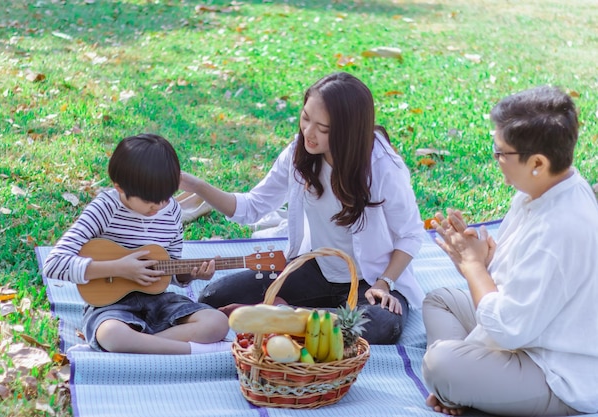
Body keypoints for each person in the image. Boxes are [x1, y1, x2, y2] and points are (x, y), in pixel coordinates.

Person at [179, 72, 426, 344]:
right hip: (317, 269)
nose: (308, 133)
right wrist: (197, 185)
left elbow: (411, 235)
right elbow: (252, 206)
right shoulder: (300, 153)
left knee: (382, 325)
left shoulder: (382, 166)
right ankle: (300, 318)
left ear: (349, 132)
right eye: (306, 118)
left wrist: (385, 283)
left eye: (323, 128)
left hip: (372, 281)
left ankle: (283, 315)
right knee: (214, 297)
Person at [423, 86, 598, 416]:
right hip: (529, 327)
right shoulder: (544, 189)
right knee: (440, 299)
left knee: (440, 364)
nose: (496, 159)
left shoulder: (561, 228)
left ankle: (457, 385)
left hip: (555, 369)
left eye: (502, 152)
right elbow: (514, 278)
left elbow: (508, 330)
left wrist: (474, 267)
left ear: (537, 162)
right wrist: (482, 258)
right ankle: (461, 387)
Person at [43, 134, 230, 354]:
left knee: (218, 322)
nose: (159, 206)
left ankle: (140, 344)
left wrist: (190, 274)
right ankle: (189, 350)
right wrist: (119, 268)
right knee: (112, 334)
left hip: (158, 301)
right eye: (149, 201)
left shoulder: (171, 211)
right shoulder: (105, 208)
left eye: (165, 197)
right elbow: (54, 264)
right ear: (120, 187)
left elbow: (169, 268)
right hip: (110, 306)